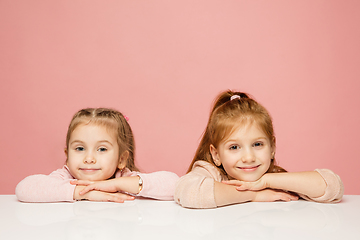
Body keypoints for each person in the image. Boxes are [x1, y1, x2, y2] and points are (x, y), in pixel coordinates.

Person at [175, 90, 343, 208]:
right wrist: (253, 195)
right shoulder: (210, 173)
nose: (248, 157)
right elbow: (189, 192)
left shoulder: (273, 178)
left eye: (257, 144)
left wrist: (266, 182)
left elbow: (333, 186)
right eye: (234, 147)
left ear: (272, 148)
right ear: (216, 154)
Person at [16, 108, 179, 202]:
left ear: (121, 159)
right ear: (67, 154)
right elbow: (24, 188)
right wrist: (84, 193)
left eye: (101, 149)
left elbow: (175, 185)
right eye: (80, 149)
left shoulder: (122, 177)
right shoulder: (66, 177)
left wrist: (117, 185)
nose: (89, 158)